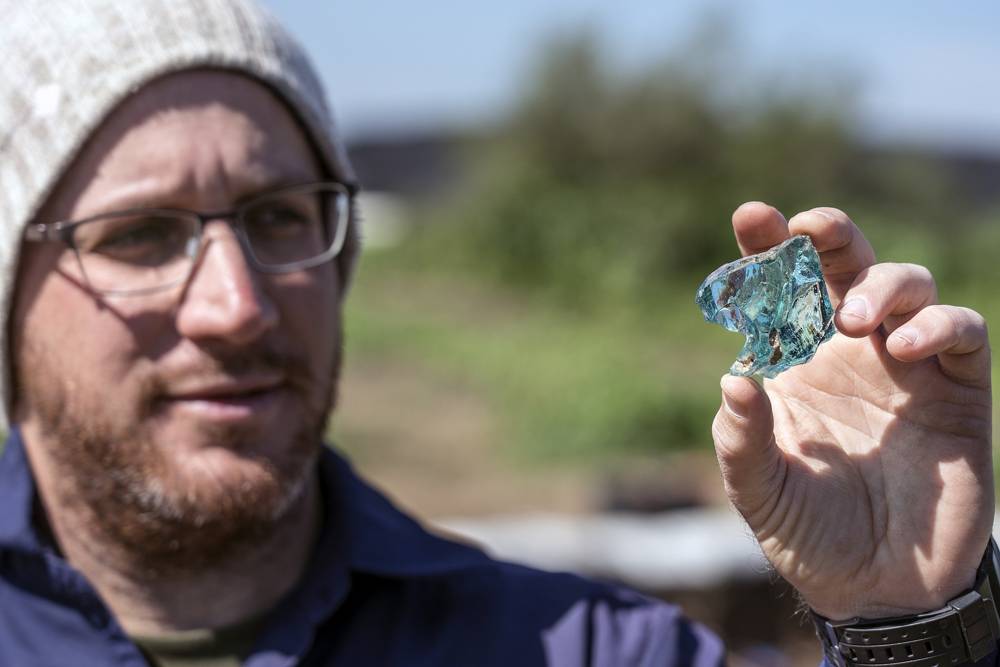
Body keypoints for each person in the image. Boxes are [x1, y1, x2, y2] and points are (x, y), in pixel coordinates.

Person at [0, 1, 991, 666]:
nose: (237, 304)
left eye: (278, 219)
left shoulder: (588, 649)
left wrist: (906, 618)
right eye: (136, 235)